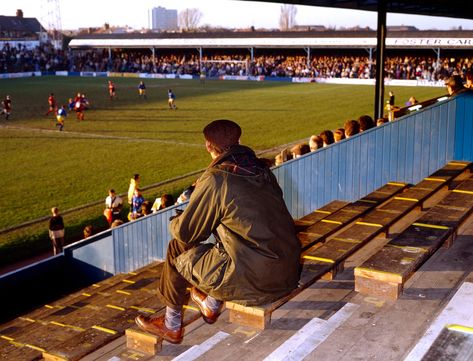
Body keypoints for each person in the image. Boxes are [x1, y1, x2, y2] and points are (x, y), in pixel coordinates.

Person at [135, 119, 301, 344]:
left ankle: (171, 324)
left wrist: (177, 219)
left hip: (258, 283)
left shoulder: (217, 178)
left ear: (208, 146)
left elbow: (185, 233)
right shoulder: (262, 169)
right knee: (228, 236)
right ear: (239, 141)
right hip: (287, 271)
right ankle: (211, 304)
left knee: (177, 247)